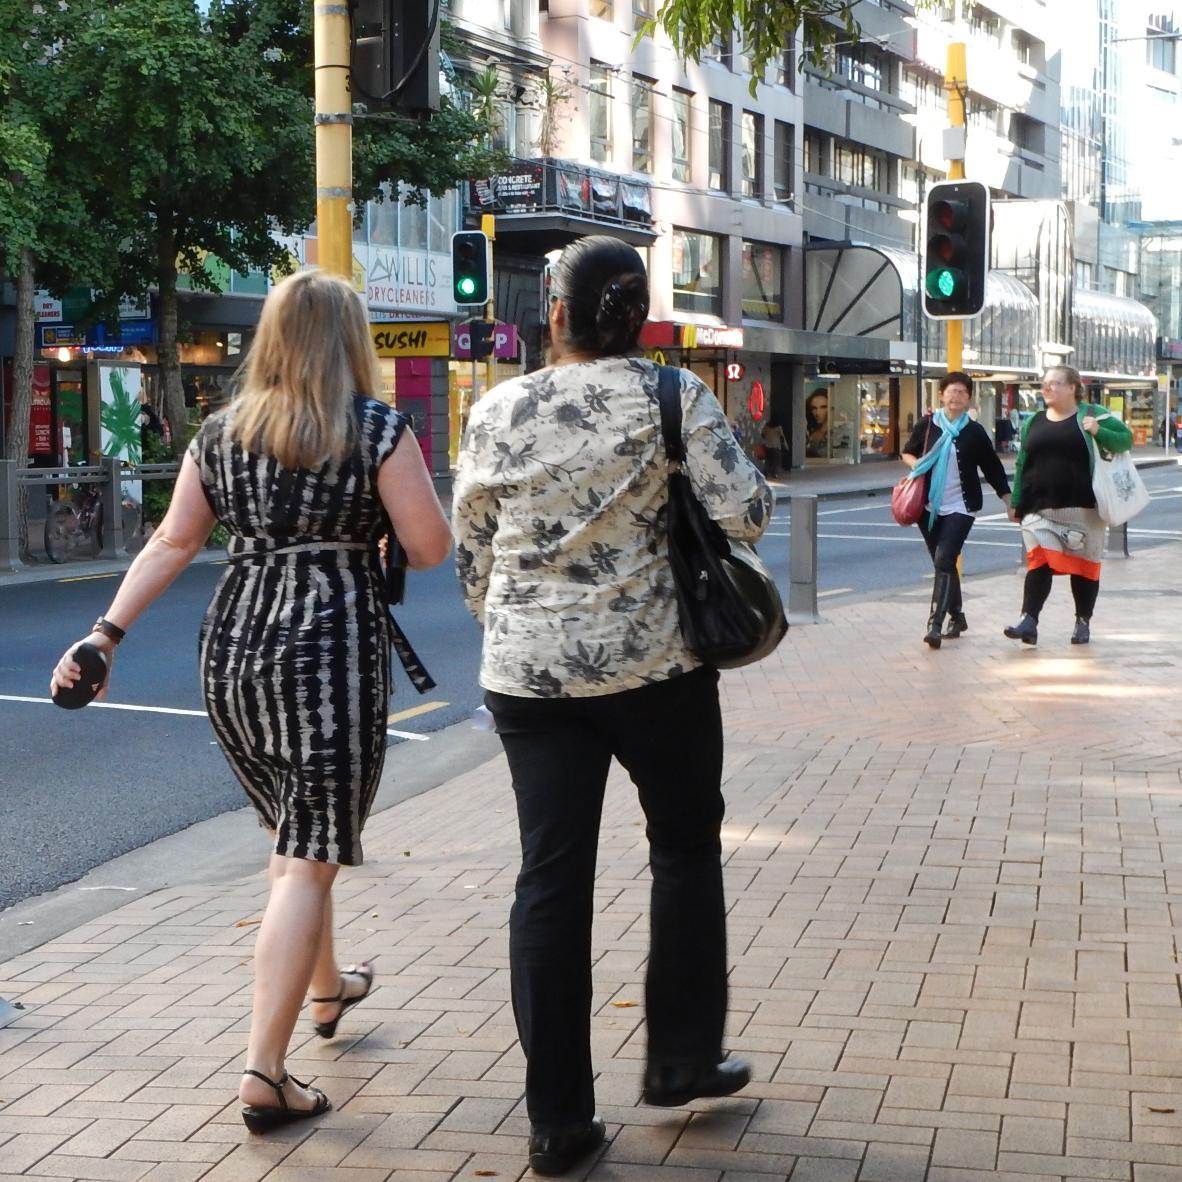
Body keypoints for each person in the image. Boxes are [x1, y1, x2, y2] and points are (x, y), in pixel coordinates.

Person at [50, 270, 452, 1133]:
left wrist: (104, 635)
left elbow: (172, 540)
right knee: (309, 854)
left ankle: (328, 985)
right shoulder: (377, 428)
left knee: (294, 835)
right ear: (351, 342)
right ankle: (265, 1074)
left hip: (233, 649)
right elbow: (427, 547)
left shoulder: (220, 432)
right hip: (330, 650)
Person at [453, 236, 770, 1177]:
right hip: (657, 669)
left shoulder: (497, 409)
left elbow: (476, 552)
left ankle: (558, 1122)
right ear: (638, 317)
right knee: (683, 847)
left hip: (529, 679)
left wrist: (521, 625)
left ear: (555, 314)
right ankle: (679, 1060)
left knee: (549, 879)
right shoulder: (677, 397)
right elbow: (746, 512)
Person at [1003, 365, 1132, 645]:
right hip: (1039, 508)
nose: (1046, 388)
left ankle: (1082, 621)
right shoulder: (1033, 421)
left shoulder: (1092, 414)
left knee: (1084, 568)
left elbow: (1125, 440)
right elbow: (1023, 462)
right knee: (1038, 561)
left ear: (1073, 387)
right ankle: (1029, 620)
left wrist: (1099, 431)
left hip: (1084, 509)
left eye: (1054, 383)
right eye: (1044, 384)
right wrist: (1015, 502)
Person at [901, 371, 1011, 649]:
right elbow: (907, 451)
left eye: (962, 392)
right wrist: (915, 464)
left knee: (944, 557)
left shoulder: (973, 431)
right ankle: (958, 615)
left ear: (969, 397)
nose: (956, 396)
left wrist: (1008, 499)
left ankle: (934, 625)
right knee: (943, 563)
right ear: (941, 394)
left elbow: (992, 467)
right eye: (951, 391)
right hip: (928, 506)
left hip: (961, 505)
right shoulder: (928, 424)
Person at [805, 389, 829, 457]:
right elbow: (810, 448)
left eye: (823, 407)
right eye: (814, 408)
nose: (818, 413)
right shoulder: (808, 427)